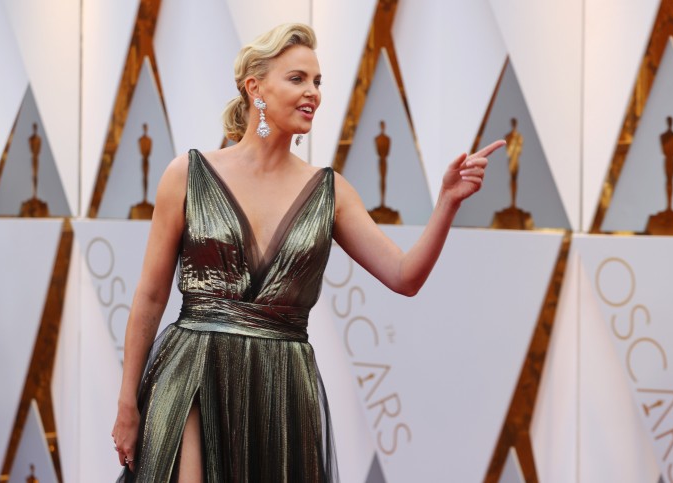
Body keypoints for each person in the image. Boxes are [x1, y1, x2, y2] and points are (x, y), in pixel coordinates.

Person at [111, 23, 505, 482]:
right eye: (297, 78)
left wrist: (447, 202)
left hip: (280, 390)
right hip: (193, 373)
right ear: (255, 88)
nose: (313, 92)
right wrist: (127, 402)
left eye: (317, 82)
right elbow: (151, 296)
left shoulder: (330, 192)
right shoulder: (186, 175)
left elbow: (404, 276)